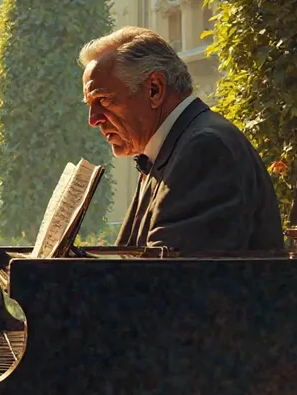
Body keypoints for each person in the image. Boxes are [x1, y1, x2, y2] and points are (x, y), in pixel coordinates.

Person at [78, 26, 284, 254]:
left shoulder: (204, 149)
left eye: (104, 100)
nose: (93, 119)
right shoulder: (171, 146)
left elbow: (170, 280)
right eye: (90, 105)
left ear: (154, 90)